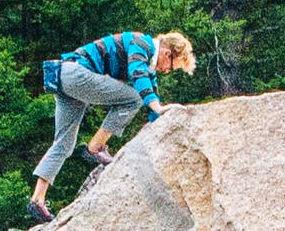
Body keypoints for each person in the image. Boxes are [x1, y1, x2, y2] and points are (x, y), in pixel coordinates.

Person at [28, 21, 196, 213]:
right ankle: (95, 148)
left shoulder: (149, 63)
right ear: (168, 54)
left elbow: (152, 96)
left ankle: (37, 200)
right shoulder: (142, 44)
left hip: (65, 77)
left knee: (63, 143)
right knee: (134, 98)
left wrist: (159, 116)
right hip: (76, 74)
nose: (166, 71)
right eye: (171, 67)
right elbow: (137, 74)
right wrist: (157, 107)